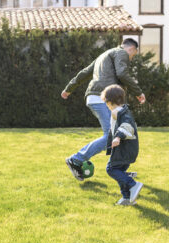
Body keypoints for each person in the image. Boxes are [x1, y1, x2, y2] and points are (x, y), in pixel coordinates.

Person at [61, 38, 146, 181]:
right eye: (133, 55)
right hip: (103, 99)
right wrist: (138, 92)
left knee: (121, 134)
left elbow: (84, 72)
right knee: (110, 136)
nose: (131, 58)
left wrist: (68, 89)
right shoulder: (121, 53)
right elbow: (122, 74)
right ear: (132, 49)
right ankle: (76, 159)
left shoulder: (104, 55)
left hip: (94, 97)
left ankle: (119, 170)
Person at [101, 84, 143, 206]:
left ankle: (133, 184)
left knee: (111, 169)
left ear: (109, 102)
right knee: (119, 172)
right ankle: (127, 197)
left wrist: (118, 137)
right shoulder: (123, 110)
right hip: (127, 149)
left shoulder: (119, 112)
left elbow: (127, 126)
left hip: (124, 150)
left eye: (106, 102)